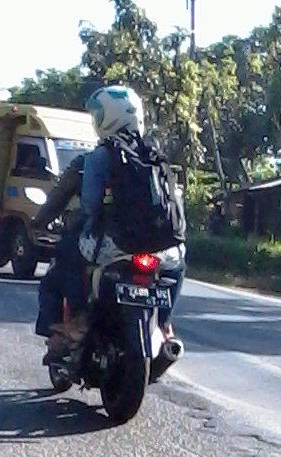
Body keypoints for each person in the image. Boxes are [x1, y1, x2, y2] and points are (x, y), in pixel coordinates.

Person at [54, 85, 187, 349]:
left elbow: (91, 204)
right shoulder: (156, 154)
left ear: (107, 118)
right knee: (179, 265)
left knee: (66, 256)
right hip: (163, 248)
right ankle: (165, 323)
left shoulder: (99, 156)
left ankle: (78, 319)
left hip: (113, 246)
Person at [30, 152, 88, 362]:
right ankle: (165, 328)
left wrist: (39, 221)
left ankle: (59, 339)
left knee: (51, 282)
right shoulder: (153, 159)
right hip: (148, 246)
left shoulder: (89, 162)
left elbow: (58, 197)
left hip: (92, 241)